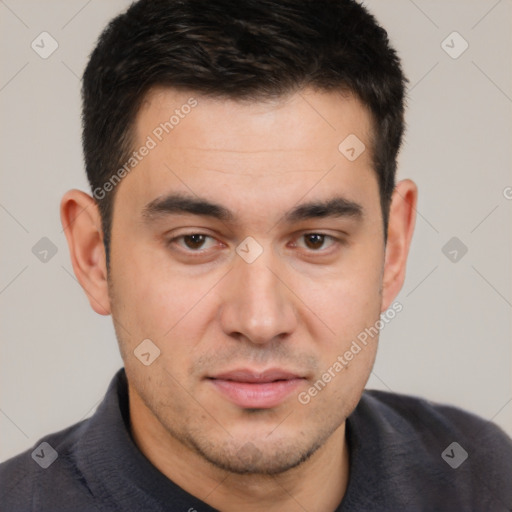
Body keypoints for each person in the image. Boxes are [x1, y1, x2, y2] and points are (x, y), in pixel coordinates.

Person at [1, 0, 511, 510]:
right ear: (94, 256)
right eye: (195, 240)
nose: (261, 320)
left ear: (393, 249)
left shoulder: (486, 481)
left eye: (316, 240)